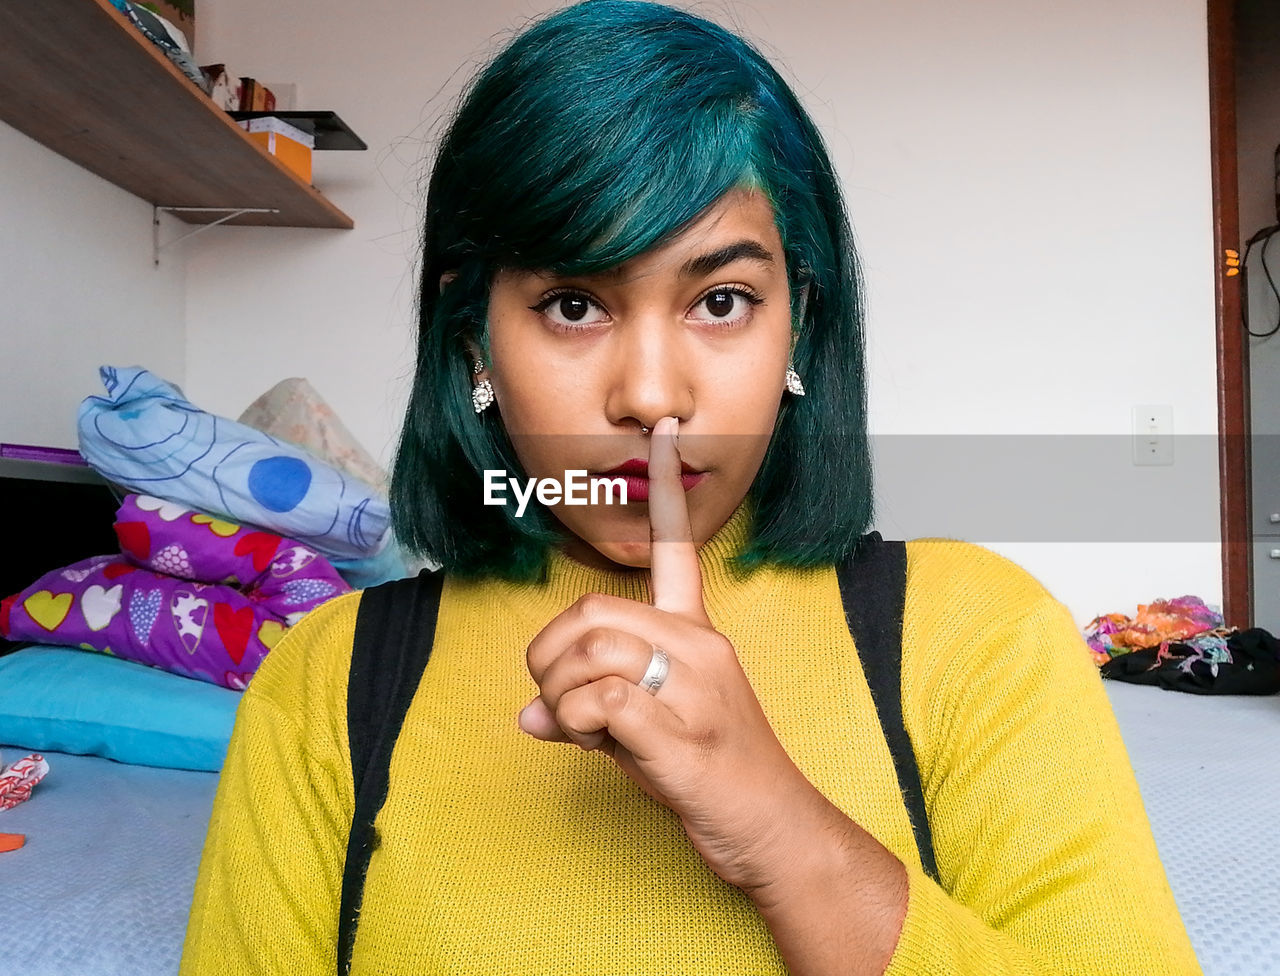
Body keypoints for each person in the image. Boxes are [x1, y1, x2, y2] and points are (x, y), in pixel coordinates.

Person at [180, 2, 1204, 973]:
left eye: (720, 299)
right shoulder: (324, 684)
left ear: (796, 321)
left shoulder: (981, 639)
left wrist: (777, 826)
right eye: (573, 304)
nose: (652, 396)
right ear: (472, 336)